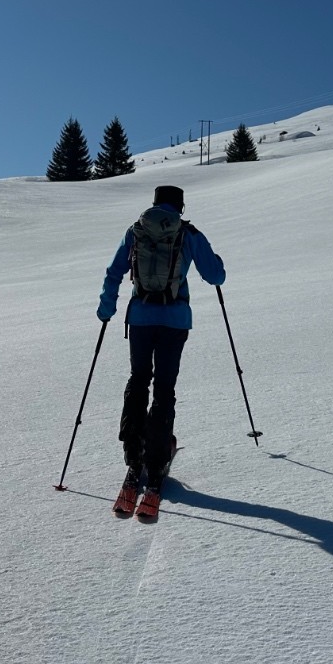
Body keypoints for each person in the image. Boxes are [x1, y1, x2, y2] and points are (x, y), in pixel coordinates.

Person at [97, 185, 226, 520]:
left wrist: (106, 308)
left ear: (154, 204)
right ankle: (155, 465)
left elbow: (114, 272)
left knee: (139, 380)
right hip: (174, 319)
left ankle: (133, 455)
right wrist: (219, 263)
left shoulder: (136, 231)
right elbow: (214, 275)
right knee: (164, 388)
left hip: (140, 317)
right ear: (180, 207)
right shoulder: (187, 233)